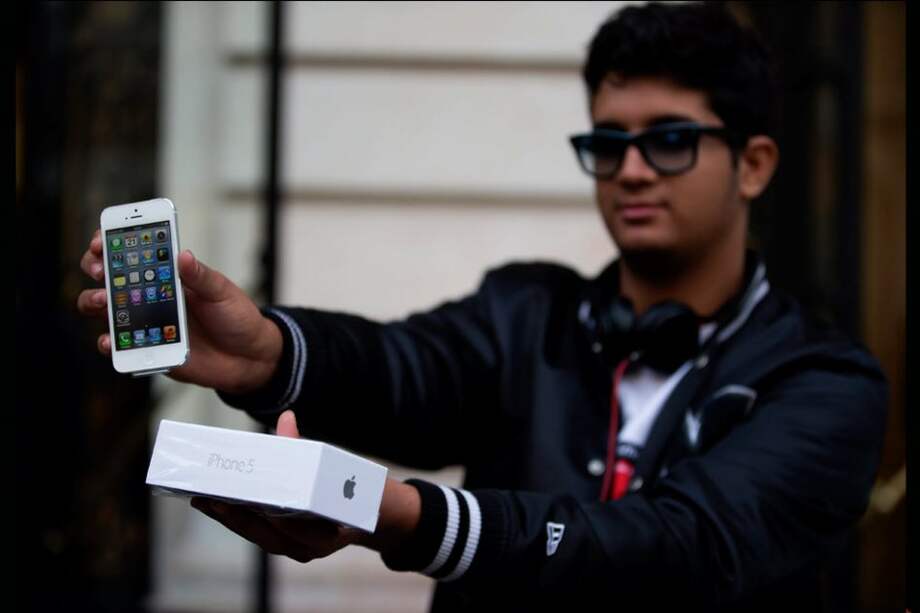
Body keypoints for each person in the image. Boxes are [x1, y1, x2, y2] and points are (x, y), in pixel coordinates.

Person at [77, 3, 888, 611]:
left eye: (668, 139)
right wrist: (267, 355)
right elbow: (406, 369)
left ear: (753, 164)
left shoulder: (826, 382)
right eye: (606, 144)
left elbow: (687, 544)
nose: (631, 170)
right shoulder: (526, 309)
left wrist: (413, 519)